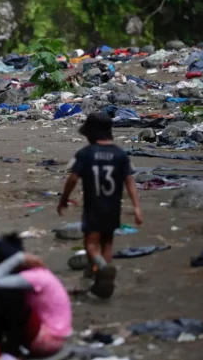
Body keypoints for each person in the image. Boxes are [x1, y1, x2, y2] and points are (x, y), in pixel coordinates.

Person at [57, 112, 143, 299]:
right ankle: (97, 275)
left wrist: (64, 199)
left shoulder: (86, 153)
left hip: (93, 206)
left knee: (90, 245)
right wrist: (136, 207)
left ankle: (103, 270)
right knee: (107, 243)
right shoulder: (120, 154)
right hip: (113, 207)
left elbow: (73, 178)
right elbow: (129, 180)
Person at [0, 233, 72, 360]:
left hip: (49, 339)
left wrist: (18, 258)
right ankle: (2, 343)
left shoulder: (32, 277)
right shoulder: (32, 274)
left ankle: (11, 351)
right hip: (52, 336)